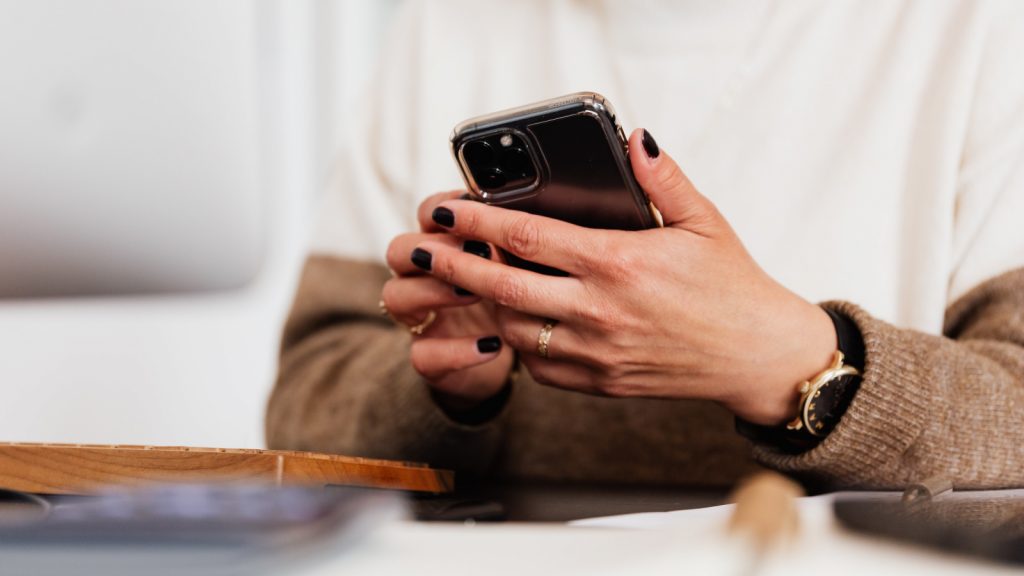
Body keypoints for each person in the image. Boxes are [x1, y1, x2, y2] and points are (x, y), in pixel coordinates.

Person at [266, 0, 1024, 489]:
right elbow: (303, 404)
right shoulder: (447, 25)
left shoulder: (977, 27)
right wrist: (445, 393)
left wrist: (790, 360)